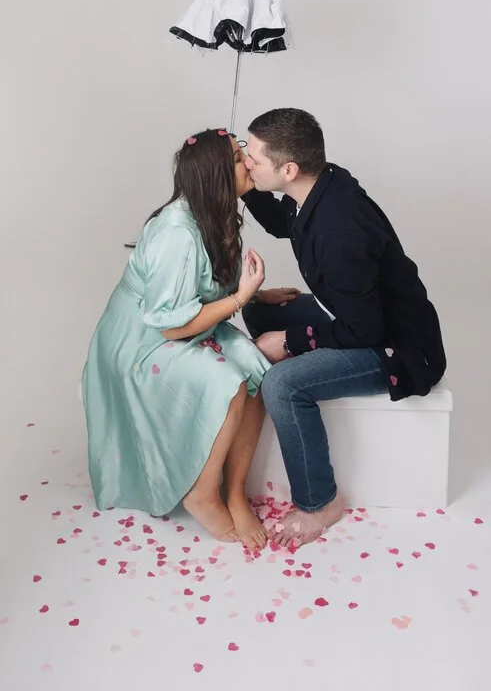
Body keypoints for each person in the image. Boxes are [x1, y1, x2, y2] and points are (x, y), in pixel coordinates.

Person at [241, 108, 447, 548]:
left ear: (289, 168)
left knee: (282, 384)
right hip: (356, 317)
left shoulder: (338, 232)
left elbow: (365, 331)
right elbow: (284, 223)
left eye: (253, 158)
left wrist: (292, 342)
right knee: (260, 314)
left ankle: (320, 503)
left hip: (394, 348)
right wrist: (246, 189)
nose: (246, 162)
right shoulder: (322, 183)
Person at [82, 128, 288, 551]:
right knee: (228, 383)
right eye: (237, 157)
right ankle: (202, 492)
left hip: (190, 323)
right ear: (216, 175)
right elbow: (170, 324)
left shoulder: (215, 214)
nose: (249, 161)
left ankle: (234, 491)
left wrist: (255, 293)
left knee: (256, 371)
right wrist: (242, 297)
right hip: (142, 341)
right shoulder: (177, 231)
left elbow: (204, 286)